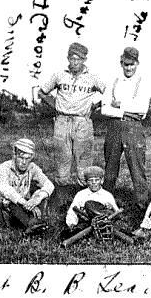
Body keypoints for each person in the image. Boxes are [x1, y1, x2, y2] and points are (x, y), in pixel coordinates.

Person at [38, 42, 106, 212]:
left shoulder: (93, 77)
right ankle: (61, 200)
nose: (75, 62)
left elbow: (110, 94)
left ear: (84, 60)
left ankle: (86, 201)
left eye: (78, 59)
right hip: (61, 121)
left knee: (83, 162)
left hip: (83, 121)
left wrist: (94, 106)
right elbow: (42, 92)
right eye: (72, 58)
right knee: (63, 159)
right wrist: (56, 106)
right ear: (68, 58)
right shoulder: (59, 75)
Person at [101, 47, 151, 211]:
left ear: (137, 63)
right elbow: (104, 109)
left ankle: (142, 205)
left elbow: (142, 108)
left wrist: (119, 104)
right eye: (125, 64)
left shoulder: (143, 82)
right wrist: (126, 110)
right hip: (114, 126)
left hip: (134, 128)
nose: (128, 68)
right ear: (121, 63)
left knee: (137, 168)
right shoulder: (114, 81)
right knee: (110, 168)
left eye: (132, 64)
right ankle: (105, 202)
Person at [0, 138, 55, 235]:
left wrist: (37, 199)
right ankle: (33, 224)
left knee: (40, 193)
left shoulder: (32, 167)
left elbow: (49, 185)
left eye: (28, 159)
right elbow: (6, 190)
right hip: (5, 211)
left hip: (24, 209)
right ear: (14, 155)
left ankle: (35, 224)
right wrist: (25, 203)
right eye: (21, 158)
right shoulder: (4, 167)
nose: (24, 162)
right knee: (9, 200)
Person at [60, 166, 120, 240]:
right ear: (86, 182)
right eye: (90, 180)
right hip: (86, 222)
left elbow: (117, 213)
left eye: (97, 180)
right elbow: (72, 211)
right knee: (77, 230)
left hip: (104, 223)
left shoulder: (107, 195)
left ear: (102, 180)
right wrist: (71, 223)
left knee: (117, 226)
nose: (94, 183)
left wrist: (112, 208)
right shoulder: (81, 194)